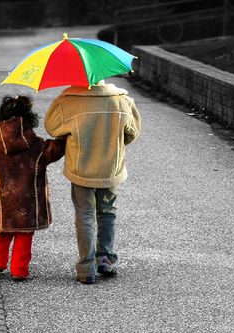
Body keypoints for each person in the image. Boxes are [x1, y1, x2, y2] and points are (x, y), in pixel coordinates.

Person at [45, 80, 141, 284]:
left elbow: (52, 127)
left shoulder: (69, 100)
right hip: (109, 168)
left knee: (84, 215)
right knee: (107, 212)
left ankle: (86, 268)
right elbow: (132, 132)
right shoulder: (120, 100)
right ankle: (106, 258)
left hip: (81, 168)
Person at [0, 95, 64, 280]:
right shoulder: (36, 145)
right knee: (24, 236)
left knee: (1, 232)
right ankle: (19, 270)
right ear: (29, 119)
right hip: (28, 201)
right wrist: (64, 138)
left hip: (1, 198)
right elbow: (53, 151)